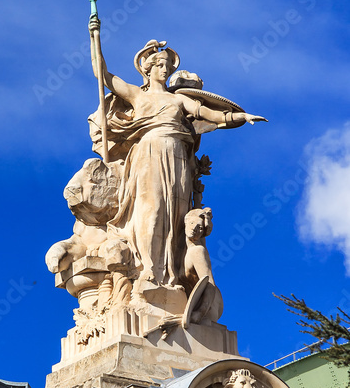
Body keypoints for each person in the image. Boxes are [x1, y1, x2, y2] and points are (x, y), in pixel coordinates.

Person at [91, 31, 265, 297]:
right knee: (152, 210)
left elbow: (210, 115)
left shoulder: (177, 100)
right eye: (159, 65)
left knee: (176, 215)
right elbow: (103, 75)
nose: (164, 69)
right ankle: (149, 270)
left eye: (167, 66)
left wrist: (241, 116)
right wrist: (95, 38)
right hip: (150, 152)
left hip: (178, 158)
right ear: (148, 69)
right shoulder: (138, 95)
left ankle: (171, 273)